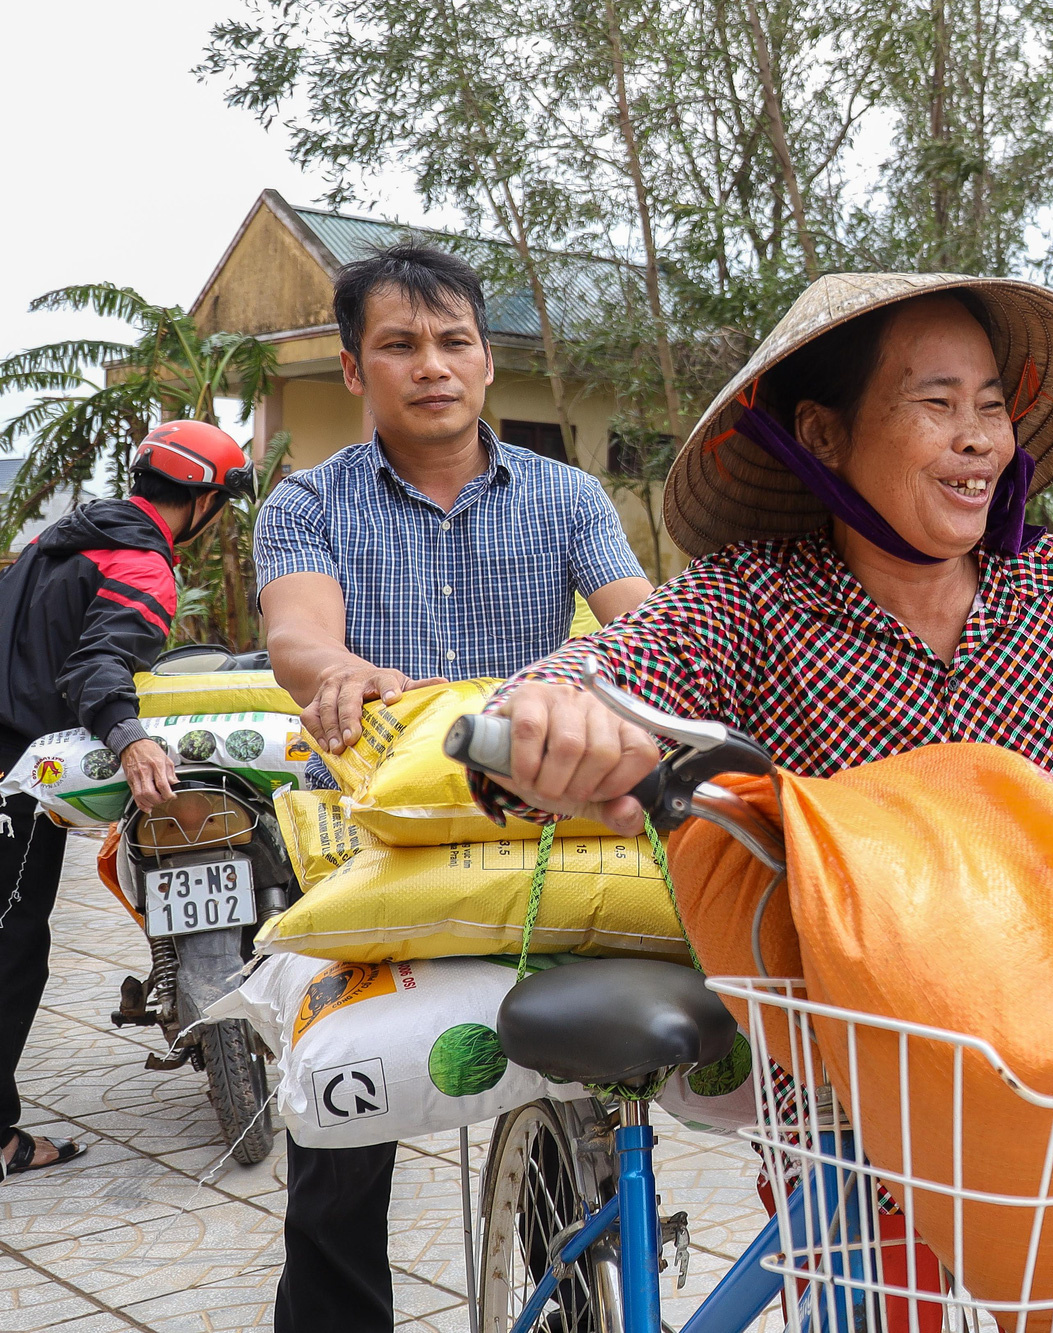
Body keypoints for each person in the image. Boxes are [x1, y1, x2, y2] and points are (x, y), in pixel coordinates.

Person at [463, 269, 1053, 860]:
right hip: (852, 1048)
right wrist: (543, 722)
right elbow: (601, 672)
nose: (979, 440)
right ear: (824, 436)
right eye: (938, 404)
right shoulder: (749, 602)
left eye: (992, 406)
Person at [254, 241, 651, 1332]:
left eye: (452, 341)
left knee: (585, 1104)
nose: (430, 364)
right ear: (352, 370)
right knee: (341, 1127)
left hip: (536, 831)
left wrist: (611, 688)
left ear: (484, 360)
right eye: (398, 344)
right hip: (371, 832)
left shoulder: (569, 497)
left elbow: (651, 627)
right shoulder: (306, 504)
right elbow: (297, 636)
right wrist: (339, 672)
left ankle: (576, 1293)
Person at [0, 421, 250, 1181]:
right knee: (12, 949)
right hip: (14, 778)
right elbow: (96, 664)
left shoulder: (54, 544)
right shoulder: (141, 561)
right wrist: (131, 738)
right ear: (205, 501)